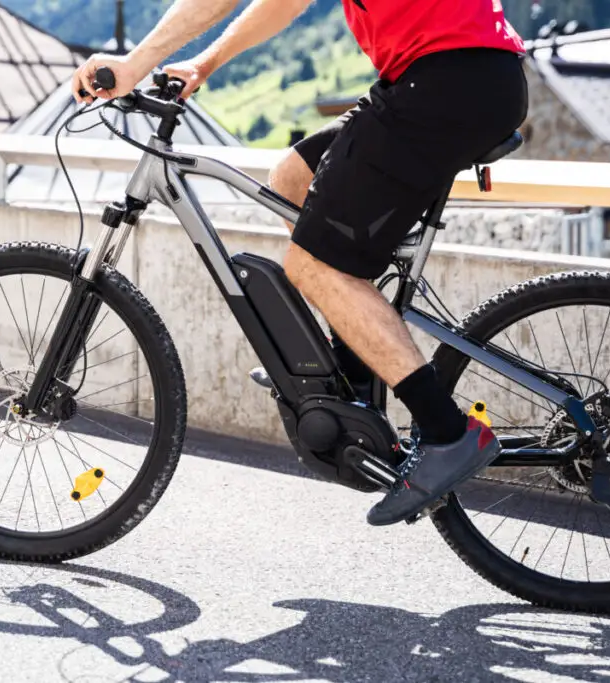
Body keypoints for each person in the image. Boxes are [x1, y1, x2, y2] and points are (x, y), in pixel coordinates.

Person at [73, 0, 529, 526]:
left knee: (315, 267)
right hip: (451, 76)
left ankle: (448, 434)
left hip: (446, 81)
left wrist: (136, 63)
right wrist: (204, 65)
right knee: (292, 179)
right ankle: (355, 378)